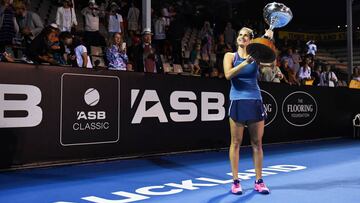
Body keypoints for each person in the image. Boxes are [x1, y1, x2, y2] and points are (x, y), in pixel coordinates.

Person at [223, 27, 272, 195]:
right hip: (237, 100)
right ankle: (235, 182)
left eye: (246, 36)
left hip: (255, 100)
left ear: (250, 40)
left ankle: (259, 181)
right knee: (235, 143)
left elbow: (269, 55)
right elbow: (228, 75)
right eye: (240, 35)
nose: (242, 37)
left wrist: (268, 38)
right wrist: (245, 63)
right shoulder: (230, 56)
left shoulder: (257, 57)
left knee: (257, 144)